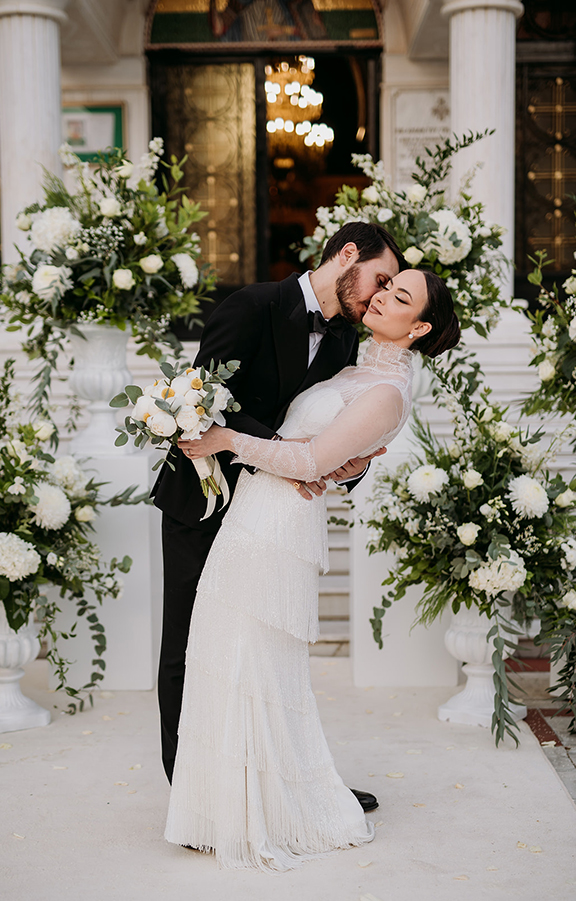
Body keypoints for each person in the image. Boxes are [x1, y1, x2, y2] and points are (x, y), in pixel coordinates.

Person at [167, 267, 461, 870]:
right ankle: (221, 807)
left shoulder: (386, 390)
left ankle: (269, 808)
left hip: (277, 529)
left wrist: (225, 440)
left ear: (420, 326)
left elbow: (308, 458)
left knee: (255, 664)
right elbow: (323, 450)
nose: (381, 295)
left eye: (399, 296)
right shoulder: (356, 365)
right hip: (255, 512)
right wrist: (338, 465)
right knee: (224, 656)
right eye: (385, 285)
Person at [152, 222, 404, 817]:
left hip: (270, 519)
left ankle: (290, 778)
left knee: (262, 648)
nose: (378, 295)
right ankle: (193, 796)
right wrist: (296, 462)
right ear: (347, 255)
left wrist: (342, 464)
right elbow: (201, 405)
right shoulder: (250, 306)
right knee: (187, 643)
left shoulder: (346, 340)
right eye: (379, 278)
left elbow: (334, 433)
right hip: (206, 500)